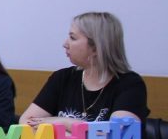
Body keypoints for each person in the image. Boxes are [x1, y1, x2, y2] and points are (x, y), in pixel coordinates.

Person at [20, 12, 148, 125]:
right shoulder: (62, 78)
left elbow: (118, 136)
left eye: (73, 38)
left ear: (96, 47)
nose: (65, 44)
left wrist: (65, 123)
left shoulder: (129, 84)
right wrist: (73, 135)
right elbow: (26, 122)